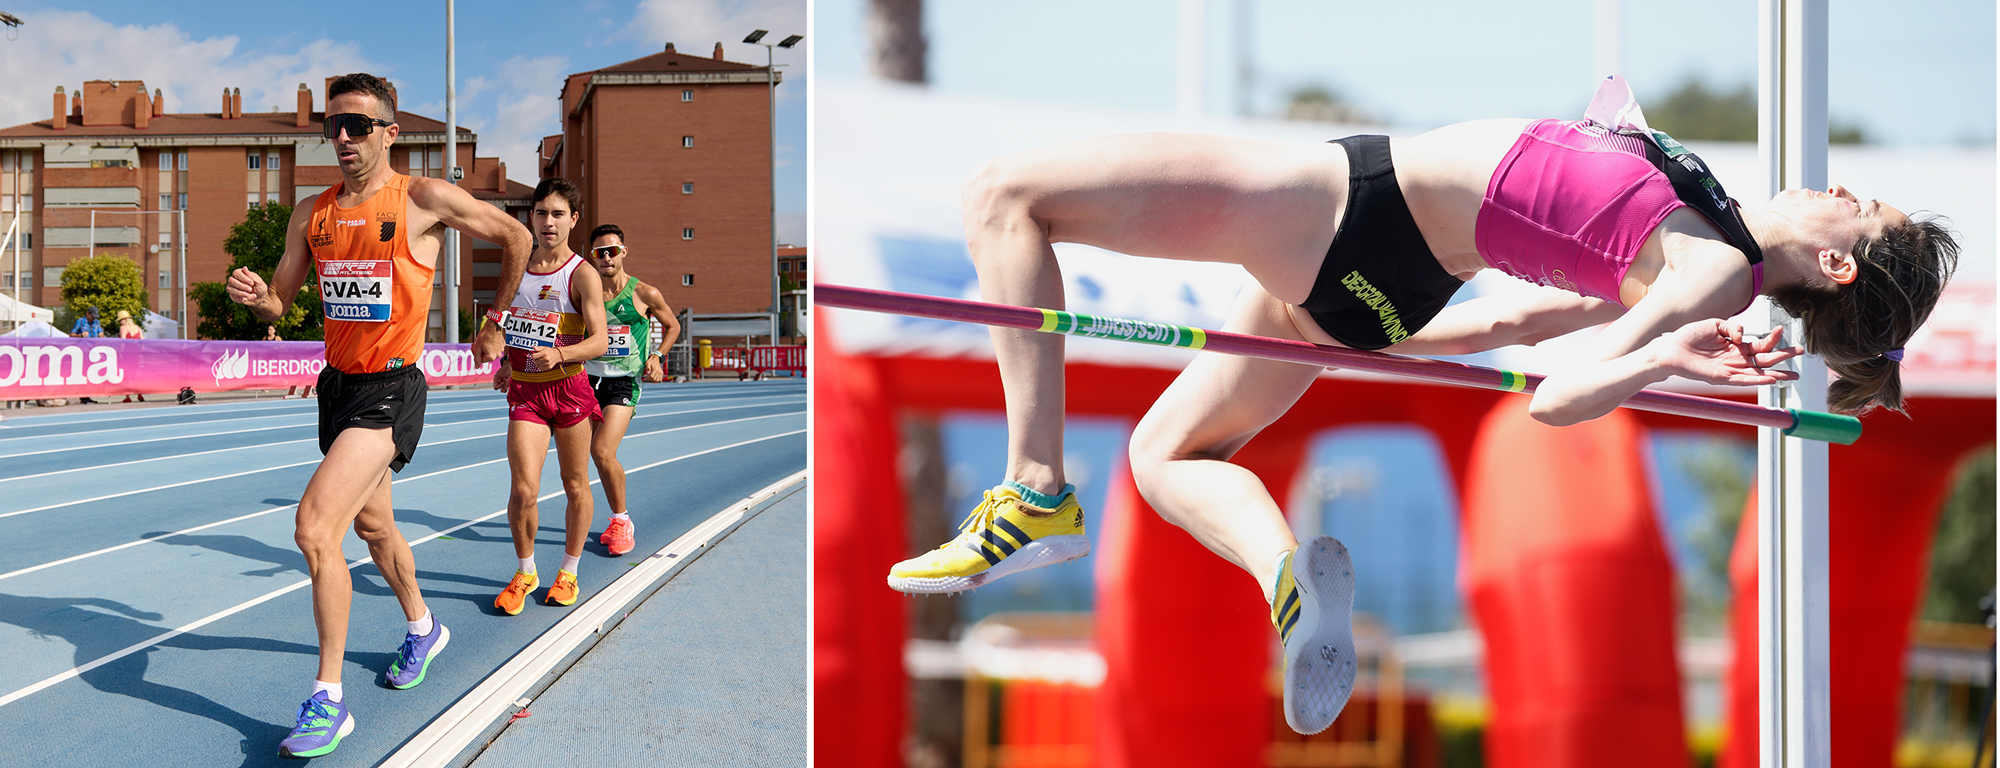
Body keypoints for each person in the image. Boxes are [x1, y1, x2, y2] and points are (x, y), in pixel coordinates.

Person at [884, 77, 1959, 735]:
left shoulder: (1711, 273)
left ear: (1831, 260)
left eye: (1856, 209)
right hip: (1388, 291)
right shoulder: (1713, 232)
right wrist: (1662, 339)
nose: (1839, 188)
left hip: (1348, 214)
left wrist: (1665, 351)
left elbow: (1560, 399)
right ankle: (1286, 582)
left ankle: (1030, 491)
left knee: (1003, 195)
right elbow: (1526, 316)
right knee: (1163, 455)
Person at [227, 72, 531, 759]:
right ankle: (424, 628)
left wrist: (498, 320)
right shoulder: (312, 211)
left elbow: (512, 236)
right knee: (374, 525)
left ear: (390, 133)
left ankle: (328, 699)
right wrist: (257, 299)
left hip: (391, 390)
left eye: (356, 125)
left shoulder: (422, 197)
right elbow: (281, 302)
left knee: (313, 528)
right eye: (332, 125)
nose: (341, 137)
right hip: (336, 387)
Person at [490, 178, 609, 616]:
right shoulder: (516, 270)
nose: (548, 222)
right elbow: (512, 327)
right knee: (523, 490)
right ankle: (526, 571)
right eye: (541, 213)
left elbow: (598, 341)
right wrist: (507, 363)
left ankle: (570, 571)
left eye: (558, 214)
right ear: (531, 218)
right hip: (526, 391)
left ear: (574, 220)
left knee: (575, 485)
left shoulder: (582, 274)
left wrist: (560, 353)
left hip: (570, 390)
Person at [580, 224, 681, 556]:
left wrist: (657, 355)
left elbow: (672, 325)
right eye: (599, 252)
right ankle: (598, 519)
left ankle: (622, 520)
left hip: (622, 383)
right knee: (583, 459)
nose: (606, 257)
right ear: (592, 256)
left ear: (624, 252)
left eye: (612, 251)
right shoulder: (584, 292)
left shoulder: (644, 294)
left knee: (603, 451)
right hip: (585, 382)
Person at [71, 306, 103, 403]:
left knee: (91, 375)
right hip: (82, 352)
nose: (94, 318)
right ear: (87, 313)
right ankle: (83, 396)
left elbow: (101, 334)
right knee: (83, 374)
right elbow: (71, 334)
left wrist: (101, 337)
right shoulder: (80, 322)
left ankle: (87, 395)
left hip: (94, 352)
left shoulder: (97, 322)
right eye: (92, 316)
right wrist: (80, 335)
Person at [117, 311, 145, 403]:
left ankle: (128, 396)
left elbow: (123, 342)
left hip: (127, 354)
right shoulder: (137, 328)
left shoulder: (123, 328)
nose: (120, 322)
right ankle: (139, 394)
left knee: (127, 375)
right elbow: (143, 340)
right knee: (135, 374)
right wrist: (141, 352)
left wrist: (120, 353)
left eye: (120, 320)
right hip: (136, 353)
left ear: (125, 319)